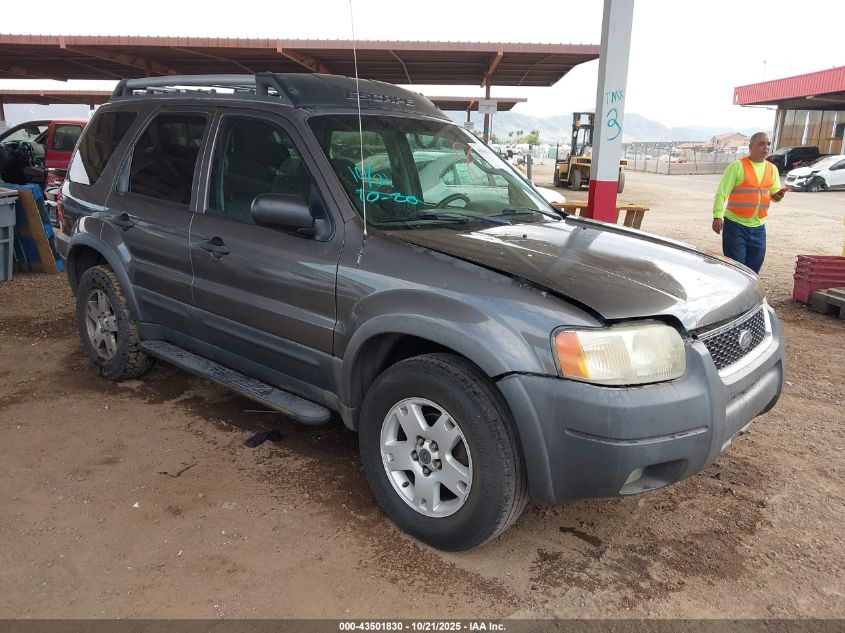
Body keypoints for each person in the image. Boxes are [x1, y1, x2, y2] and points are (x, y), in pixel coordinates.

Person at [712, 132, 784, 273]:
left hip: (758, 227)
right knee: (737, 269)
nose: (766, 147)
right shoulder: (737, 166)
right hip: (735, 226)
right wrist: (717, 216)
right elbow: (721, 193)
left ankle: (748, 294)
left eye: (768, 144)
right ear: (751, 146)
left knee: (753, 269)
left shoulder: (772, 169)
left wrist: (779, 196)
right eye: (761, 144)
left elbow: (774, 195)